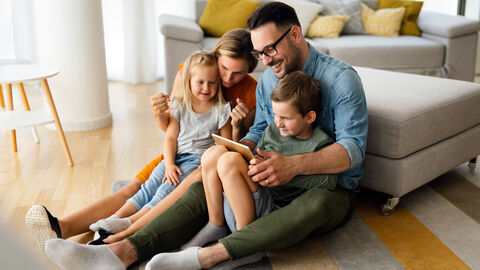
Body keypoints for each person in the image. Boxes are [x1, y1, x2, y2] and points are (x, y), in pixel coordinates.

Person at [43, 2, 368, 270]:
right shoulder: (271, 80)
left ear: (294, 34)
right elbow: (260, 130)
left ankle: (209, 256)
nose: (266, 61)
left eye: (269, 49)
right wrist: (239, 153)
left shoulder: (341, 79)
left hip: (330, 188)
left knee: (317, 203)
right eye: (260, 54)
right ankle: (120, 253)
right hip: (272, 179)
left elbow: (352, 150)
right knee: (205, 177)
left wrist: (294, 166)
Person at [25, 28, 258, 250]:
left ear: (249, 69)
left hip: (211, 161)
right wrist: (159, 115)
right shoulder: (192, 71)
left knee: (164, 190)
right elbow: (171, 128)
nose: (228, 77)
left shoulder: (251, 91)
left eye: (238, 73)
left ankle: (122, 231)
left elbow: (237, 147)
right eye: (225, 67)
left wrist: (239, 123)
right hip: (179, 150)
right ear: (216, 55)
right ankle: (62, 228)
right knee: (134, 188)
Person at [181, 71, 337, 251]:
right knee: (213, 153)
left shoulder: (321, 143)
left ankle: (244, 242)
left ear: (309, 117)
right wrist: (255, 162)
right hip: (246, 199)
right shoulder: (272, 130)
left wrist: (286, 170)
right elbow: (254, 155)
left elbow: (329, 180)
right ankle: (215, 224)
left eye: (286, 118)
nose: (278, 123)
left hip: (270, 209)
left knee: (229, 161)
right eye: (275, 115)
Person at [87, 50, 232, 238]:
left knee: (163, 192)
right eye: (200, 82)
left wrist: (235, 125)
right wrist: (169, 164)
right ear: (188, 81)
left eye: (212, 82)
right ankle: (114, 219)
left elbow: (226, 145)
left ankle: (131, 223)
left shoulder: (221, 110)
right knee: (148, 186)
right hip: (175, 158)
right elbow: (171, 137)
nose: (206, 87)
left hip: (197, 162)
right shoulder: (180, 104)